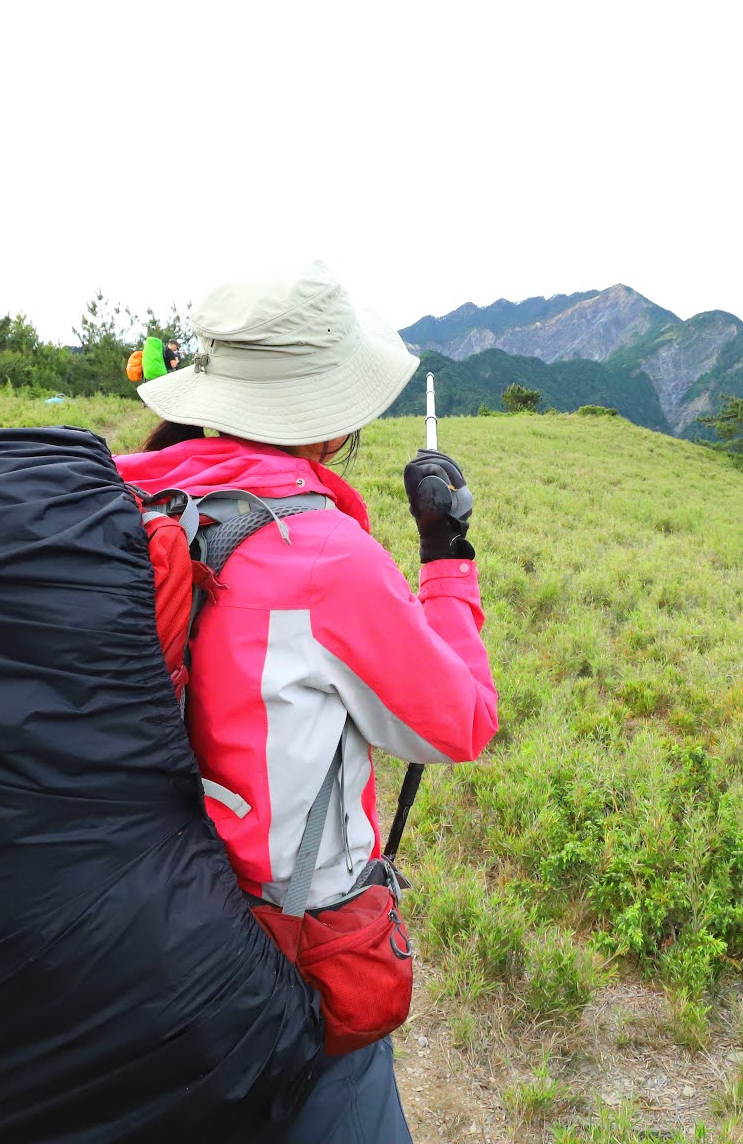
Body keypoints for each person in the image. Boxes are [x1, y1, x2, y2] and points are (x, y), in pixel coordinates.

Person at [114, 262, 498, 1144]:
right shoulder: (323, 551)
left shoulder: (132, 497)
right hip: (288, 955)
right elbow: (461, 719)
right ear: (326, 423)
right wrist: (446, 552)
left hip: (151, 922)